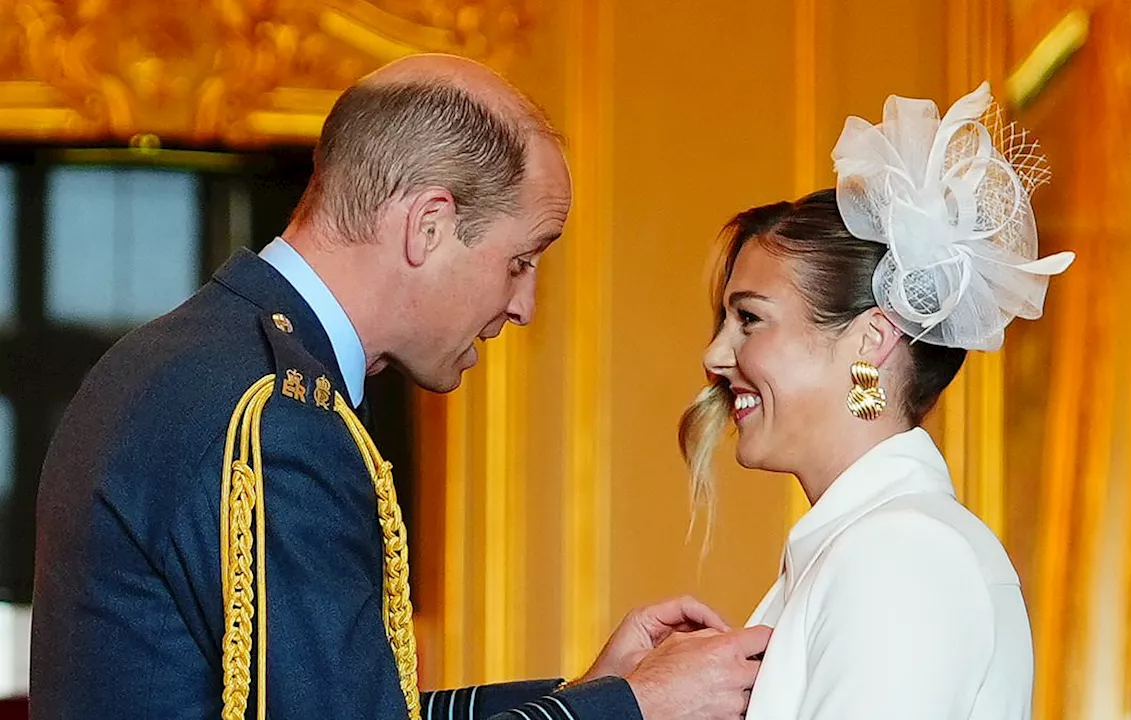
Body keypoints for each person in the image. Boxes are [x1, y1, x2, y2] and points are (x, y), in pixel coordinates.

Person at [30, 54, 768, 720]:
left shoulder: (206, 360)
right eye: (523, 259)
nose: (524, 306)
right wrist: (633, 710)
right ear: (429, 226)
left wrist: (593, 697)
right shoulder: (275, 415)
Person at [678, 81, 1075, 719]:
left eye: (750, 319)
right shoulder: (864, 544)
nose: (716, 357)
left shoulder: (902, 553)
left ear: (871, 339)